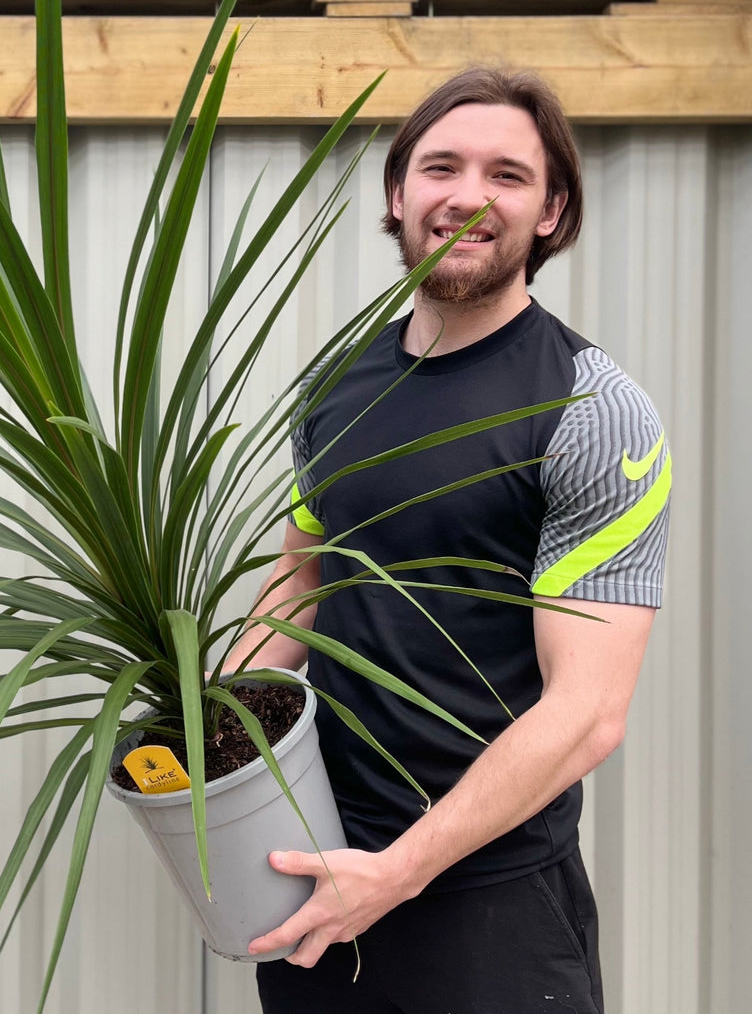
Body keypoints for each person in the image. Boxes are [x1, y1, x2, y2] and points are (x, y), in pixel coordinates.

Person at [229, 68, 671, 1014]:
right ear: (399, 195)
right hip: (319, 887)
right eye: (441, 167)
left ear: (551, 211)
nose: (469, 195)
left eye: (508, 175)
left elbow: (588, 713)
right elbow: (303, 575)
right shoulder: (338, 387)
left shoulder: (593, 412)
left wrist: (397, 871)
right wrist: (206, 729)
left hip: (491, 911)